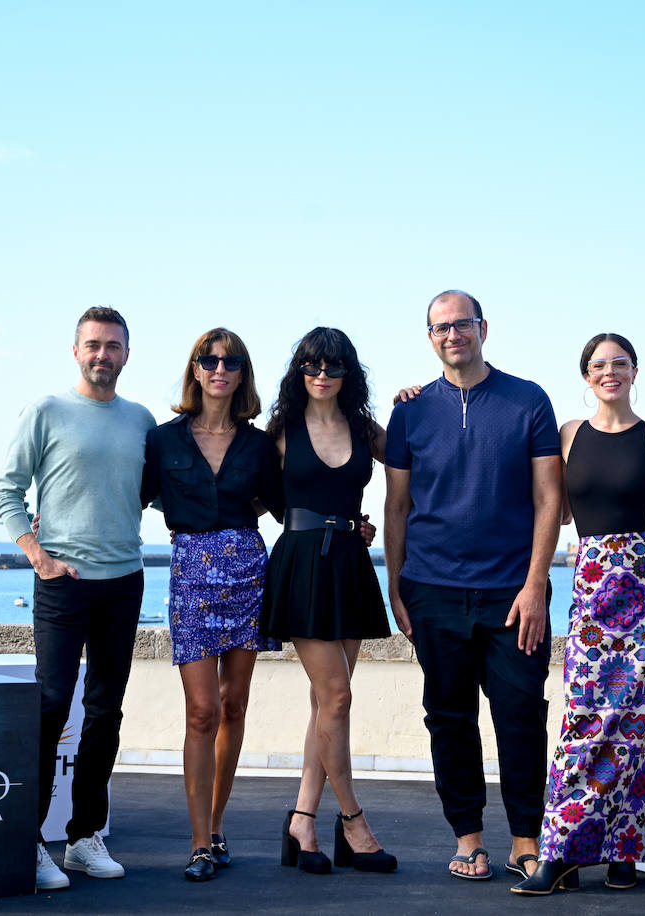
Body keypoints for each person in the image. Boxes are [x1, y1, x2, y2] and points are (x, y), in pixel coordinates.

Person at [384, 290, 562, 881]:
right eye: (440, 327)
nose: (452, 334)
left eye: (462, 324)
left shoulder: (527, 400)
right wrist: (396, 585)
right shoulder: (409, 412)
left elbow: (547, 499)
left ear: (483, 327)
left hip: (514, 592)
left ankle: (525, 840)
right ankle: (468, 839)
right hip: (431, 589)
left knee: (520, 715)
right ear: (429, 336)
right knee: (449, 717)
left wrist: (536, 584)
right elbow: (397, 504)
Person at [512, 332, 645, 896]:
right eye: (597, 365)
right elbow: (556, 512)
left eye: (619, 363)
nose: (609, 372)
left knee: (643, 722)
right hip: (591, 581)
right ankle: (563, 849)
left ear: (635, 371)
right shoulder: (568, 434)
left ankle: (625, 852)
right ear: (586, 377)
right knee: (585, 722)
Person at [0, 306, 156, 892]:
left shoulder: (141, 419)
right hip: (62, 582)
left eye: (113, 346)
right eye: (93, 344)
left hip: (124, 580)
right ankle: (30, 839)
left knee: (106, 711)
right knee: (52, 705)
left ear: (126, 354)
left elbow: (163, 490)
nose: (102, 355)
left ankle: (85, 837)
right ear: (76, 350)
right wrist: (38, 555)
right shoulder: (46, 411)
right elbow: (5, 490)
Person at [141, 327, 284, 882]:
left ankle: (217, 826)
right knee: (201, 711)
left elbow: (285, 507)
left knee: (233, 707)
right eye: (209, 359)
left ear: (243, 374)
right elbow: (123, 496)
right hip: (192, 575)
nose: (219, 368)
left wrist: (349, 525)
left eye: (231, 361)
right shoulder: (162, 440)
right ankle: (199, 840)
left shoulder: (258, 444)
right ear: (195, 370)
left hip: (249, 570)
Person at [260, 327, 397, 876]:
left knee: (326, 705)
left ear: (348, 374)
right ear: (299, 371)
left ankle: (301, 820)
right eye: (312, 366)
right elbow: (252, 495)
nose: (321, 375)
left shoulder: (365, 430)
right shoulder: (280, 432)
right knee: (336, 697)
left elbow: (421, 453)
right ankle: (354, 822)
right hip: (301, 566)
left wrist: (415, 400)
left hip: (348, 565)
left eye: (333, 367)